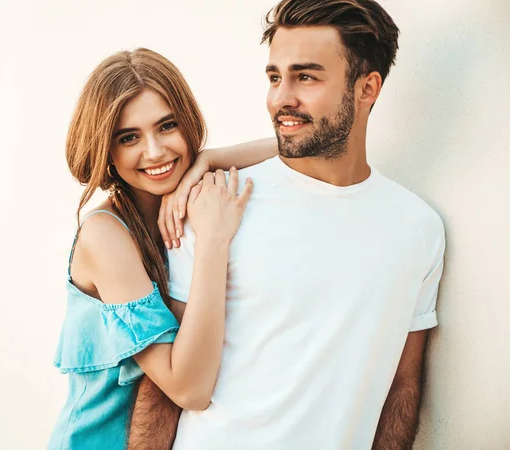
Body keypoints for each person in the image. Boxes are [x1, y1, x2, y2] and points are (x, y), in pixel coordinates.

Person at [130, 1, 446, 449]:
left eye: (307, 76)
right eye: (275, 77)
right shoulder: (217, 204)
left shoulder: (419, 229)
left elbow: (402, 385)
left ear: (367, 88)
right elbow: (165, 392)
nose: (281, 98)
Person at [48, 48, 277, 449]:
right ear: (106, 150)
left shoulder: (185, 200)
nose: (154, 152)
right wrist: (212, 241)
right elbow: (189, 389)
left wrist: (209, 159)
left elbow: (297, 147)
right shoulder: (105, 236)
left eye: (167, 126)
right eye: (129, 137)